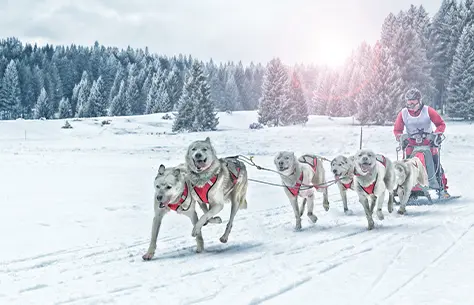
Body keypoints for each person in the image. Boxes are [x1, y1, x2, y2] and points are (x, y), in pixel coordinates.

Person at [393, 88, 450, 198]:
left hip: (428, 143)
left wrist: (437, 134)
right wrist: (400, 137)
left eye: (413, 102)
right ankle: (409, 187)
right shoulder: (403, 113)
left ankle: (442, 187)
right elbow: (397, 130)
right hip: (411, 145)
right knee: (407, 165)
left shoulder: (428, 111)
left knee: (436, 163)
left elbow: (440, 124)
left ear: (419, 101)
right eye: (409, 102)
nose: (411, 105)